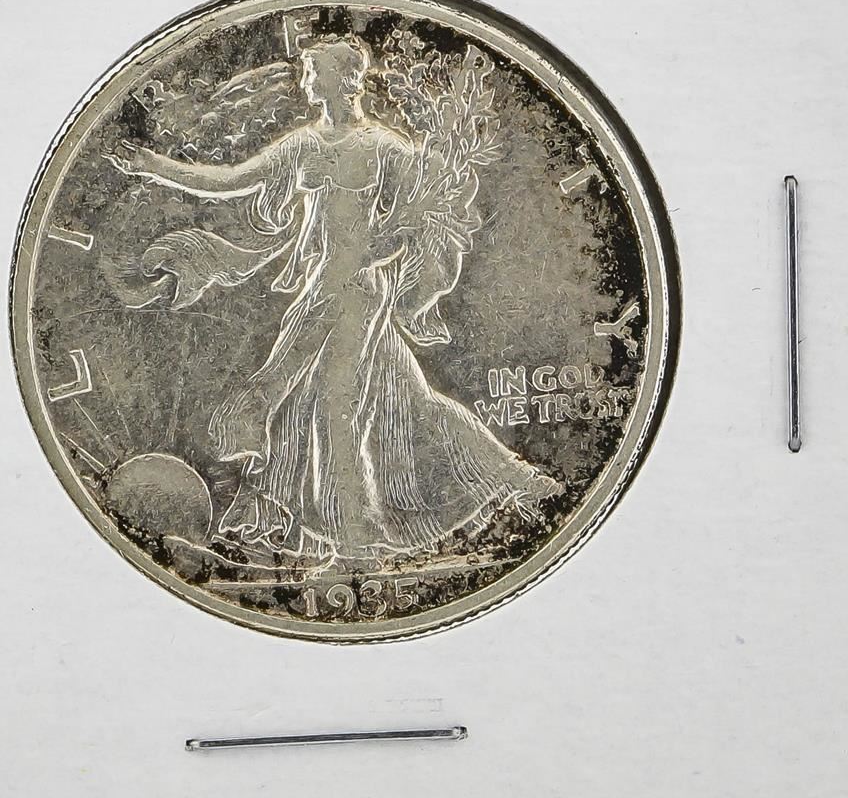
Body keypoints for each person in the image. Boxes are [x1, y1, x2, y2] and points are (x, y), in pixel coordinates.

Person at [107, 37, 559, 563]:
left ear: (344, 80)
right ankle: (515, 480)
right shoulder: (304, 144)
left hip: (359, 291)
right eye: (307, 72)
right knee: (405, 400)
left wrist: (387, 244)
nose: (306, 81)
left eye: (314, 71)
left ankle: (356, 540)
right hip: (322, 286)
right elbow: (231, 181)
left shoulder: (384, 147)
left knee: (333, 409)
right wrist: (151, 165)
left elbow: (424, 215)